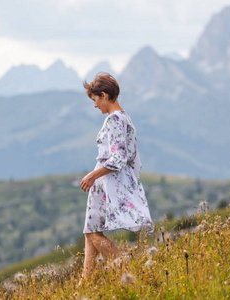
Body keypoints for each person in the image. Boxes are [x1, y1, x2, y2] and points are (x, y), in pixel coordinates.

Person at [80, 72, 154, 280]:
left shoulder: (114, 120)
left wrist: (92, 176)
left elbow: (118, 158)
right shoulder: (125, 117)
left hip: (107, 182)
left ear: (104, 95)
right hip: (109, 181)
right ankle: (84, 285)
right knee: (90, 231)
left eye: (95, 100)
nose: (95, 106)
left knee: (94, 233)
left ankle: (129, 273)